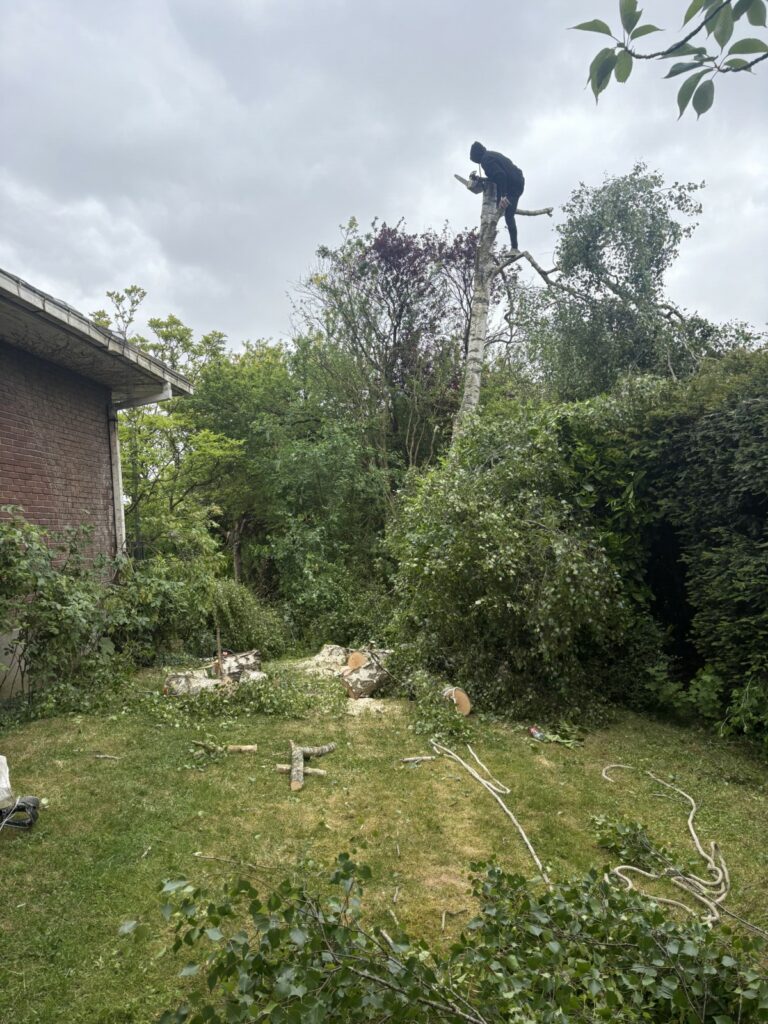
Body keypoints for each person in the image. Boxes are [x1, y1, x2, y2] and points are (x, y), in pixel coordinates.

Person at [469, 142, 525, 250]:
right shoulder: (491, 155)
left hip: (512, 187)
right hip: (517, 182)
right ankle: (514, 248)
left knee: (506, 214)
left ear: (476, 157)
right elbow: (496, 176)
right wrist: (482, 179)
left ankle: (514, 248)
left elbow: (501, 176)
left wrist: (503, 196)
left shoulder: (485, 160)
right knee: (508, 214)